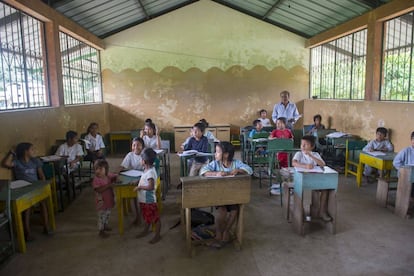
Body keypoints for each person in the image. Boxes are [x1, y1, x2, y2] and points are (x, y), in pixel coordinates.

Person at [199, 142, 252, 247]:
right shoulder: (215, 164)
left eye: (218, 152)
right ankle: (219, 233)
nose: (215, 154)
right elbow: (203, 171)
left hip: (233, 196)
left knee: (234, 211)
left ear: (226, 154)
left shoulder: (236, 163)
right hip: (219, 196)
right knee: (221, 212)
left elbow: (249, 170)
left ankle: (226, 231)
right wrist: (216, 173)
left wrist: (239, 170)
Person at [1, 143, 52, 241]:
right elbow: (6, 163)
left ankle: (46, 226)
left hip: (35, 187)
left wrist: (43, 185)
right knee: (26, 208)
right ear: (25, 151)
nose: (34, 151)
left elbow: (41, 175)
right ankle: (27, 233)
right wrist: (11, 153)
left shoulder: (35, 161)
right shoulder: (17, 162)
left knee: (43, 203)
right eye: (32, 149)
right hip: (23, 188)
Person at [292, 135, 331, 222]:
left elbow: (322, 164)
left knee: (326, 189)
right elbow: (294, 163)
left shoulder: (315, 154)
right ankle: (300, 211)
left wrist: (311, 156)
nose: (303, 146)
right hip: (302, 180)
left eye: (305, 144)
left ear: (312, 146)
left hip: (314, 179)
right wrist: (305, 166)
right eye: (302, 144)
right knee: (299, 190)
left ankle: (322, 211)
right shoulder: (299, 154)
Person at [133, 148, 161, 244]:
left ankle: (157, 235)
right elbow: (144, 178)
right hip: (144, 200)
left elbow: (151, 186)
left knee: (155, 218)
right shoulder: (146, 169)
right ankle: (146, 230)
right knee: (147, 216)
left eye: (141, 159)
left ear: (144, 161)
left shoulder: (150, 172)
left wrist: (139, 187)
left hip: (149, 201)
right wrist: (138, 181)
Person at [118, 137, 145, 225]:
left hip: (144, 178)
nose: (136, 147)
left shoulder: (145, 154)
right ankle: (137, 214)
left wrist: (140, 179)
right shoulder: (130, 155)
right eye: (134, 145)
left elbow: (147, 170)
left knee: (140, 194)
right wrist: (116, 173)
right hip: (133, 177)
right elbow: (123, 166)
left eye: (138, 145)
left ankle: (140, 215)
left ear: (143, 146)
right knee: (133, 192)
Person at [92, 159, 117, 238]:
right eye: (96, 169)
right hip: (101, 203)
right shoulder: (96, 180)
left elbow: (114, 175)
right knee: (101, 217)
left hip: (108, 201)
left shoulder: (107, 175)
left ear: (106, 170)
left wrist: (116, 178)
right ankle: (101, 231)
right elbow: (98, 189)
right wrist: (109, 185)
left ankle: (105, 225)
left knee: (107, 214)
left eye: (100, 169)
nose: (98, 171)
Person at [393, 131, 414, 197]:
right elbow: (396, 162)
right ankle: (409, 199)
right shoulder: (406, 150)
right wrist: (403, 170)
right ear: (411, 140)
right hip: (406, 175)